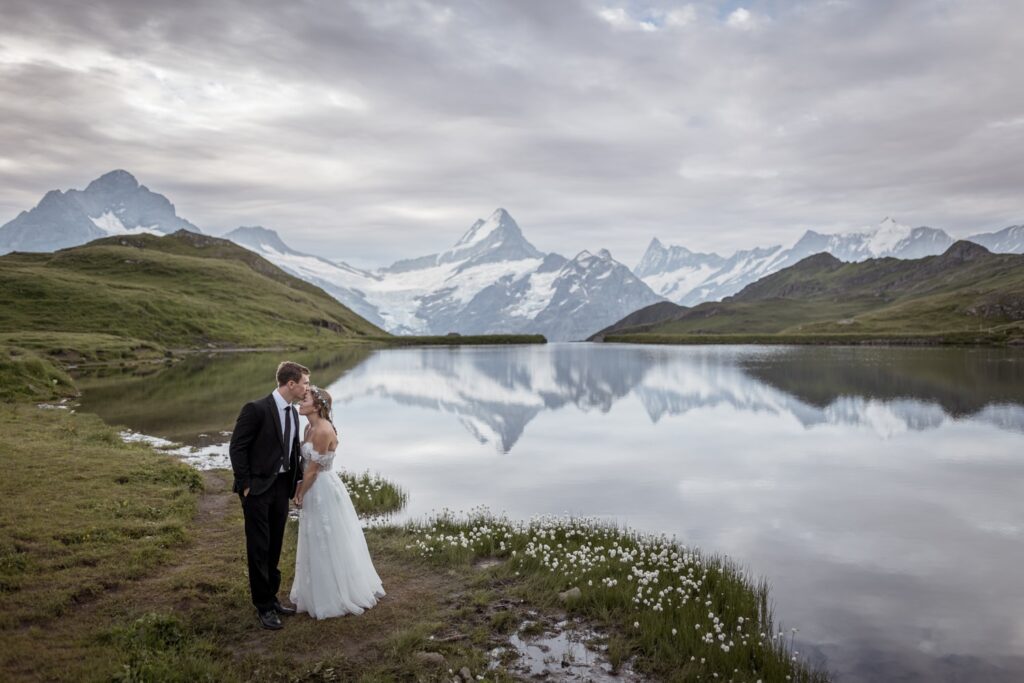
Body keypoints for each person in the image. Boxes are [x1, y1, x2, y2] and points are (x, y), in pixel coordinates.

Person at [290, 385, 385, 619]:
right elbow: (305, 466)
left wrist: (300, 492)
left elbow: (312, 471)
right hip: (312, 486)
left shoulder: (322, 431)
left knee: (327, 536)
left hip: (321, 488)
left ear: (318, 405)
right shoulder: (308, 428)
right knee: (314, 536)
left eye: (305, 399)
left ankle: (335, 594)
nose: (300, 403)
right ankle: (315, 590)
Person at [229, 360, 309, 630]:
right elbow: (237, 448)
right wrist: (245, 484)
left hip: (281, 487)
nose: (307, 388)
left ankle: (272, 597)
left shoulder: (294, 414)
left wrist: (297, 481)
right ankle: (262, 606)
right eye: (305, 383)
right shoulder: (256, 409)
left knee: (275, 543)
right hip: (257, 489)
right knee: (259, 547)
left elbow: (292, 451)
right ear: (291, 384)